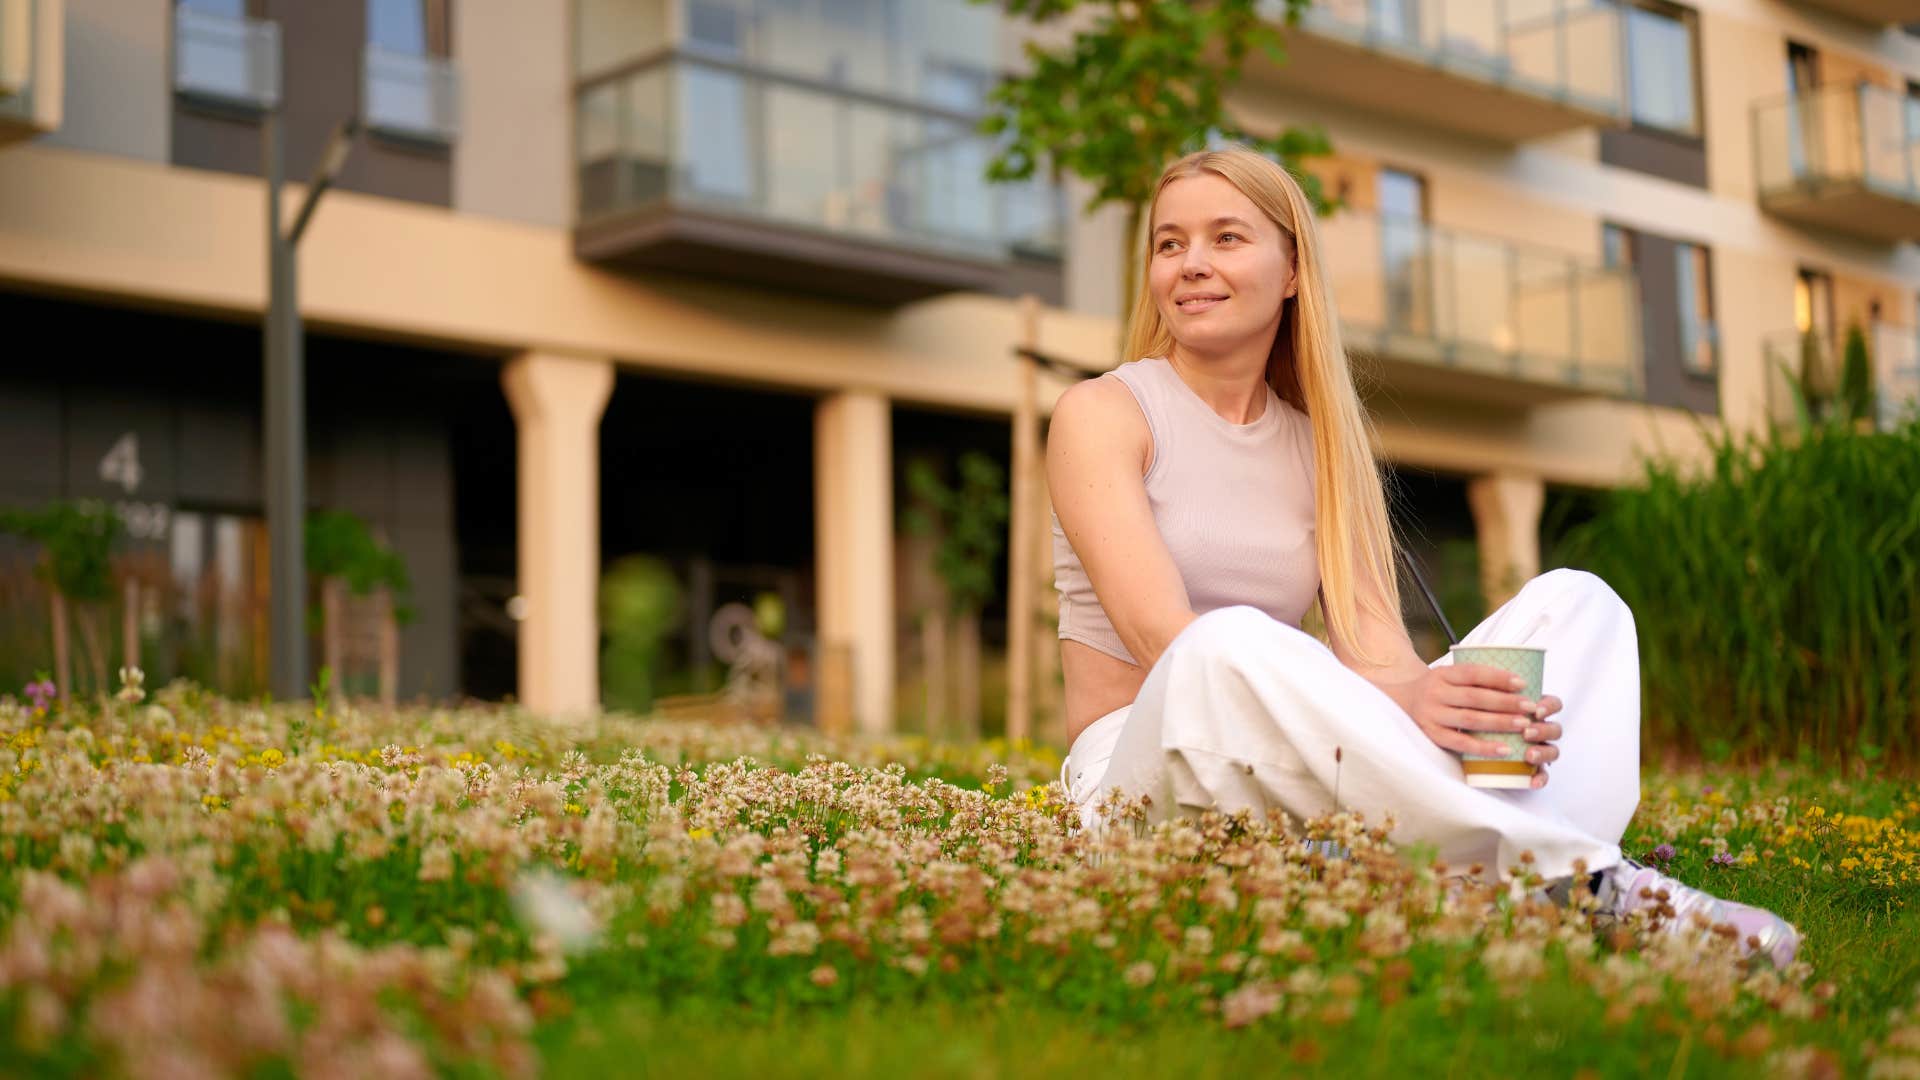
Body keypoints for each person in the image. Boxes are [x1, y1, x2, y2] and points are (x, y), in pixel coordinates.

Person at [1047, 146, 1798, 967]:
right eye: (1169, 244)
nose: (1191, 264)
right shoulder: (1103, 412)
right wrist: (1399, 703)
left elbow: (1379, 657)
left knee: (1580, 604)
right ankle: (1591, 887)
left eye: (1225, 238)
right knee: (1226, 641)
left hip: (1290, 772)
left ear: (1293, 270)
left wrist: (1434, 698)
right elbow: (1165, 640)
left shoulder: (1323, 447)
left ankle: (1494, 871)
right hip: (1143, 776)